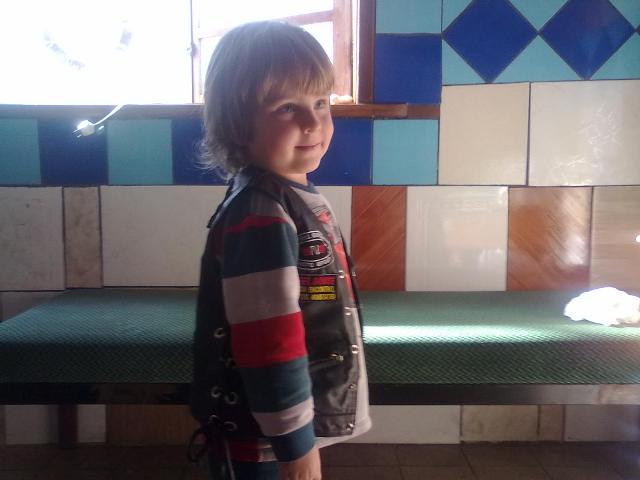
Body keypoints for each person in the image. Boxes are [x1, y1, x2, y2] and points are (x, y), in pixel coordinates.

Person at [189, 21, 371, 480]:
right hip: (263, 440)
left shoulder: (287, 197)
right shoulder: (261, 214)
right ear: (238, 125)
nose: (313, 122)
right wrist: (296, 446)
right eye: (287, 107)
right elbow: (270, 342)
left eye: (321, 103)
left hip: (275, 432)